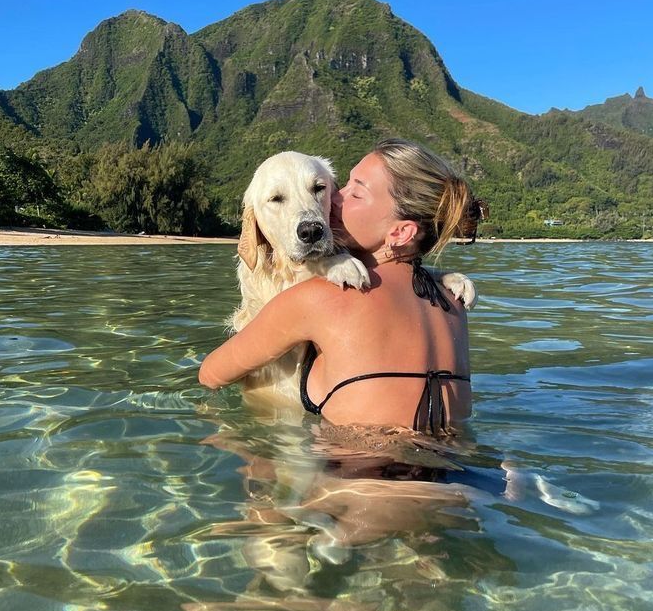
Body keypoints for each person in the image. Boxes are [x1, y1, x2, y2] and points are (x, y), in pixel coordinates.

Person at [199, 139, 484, 437]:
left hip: (357, 476)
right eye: (340, 186)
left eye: (354, 192)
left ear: (400, 231)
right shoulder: (453, 299)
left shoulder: (316, 300)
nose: (336, 199)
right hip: (462, 472)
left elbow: (210, 374)